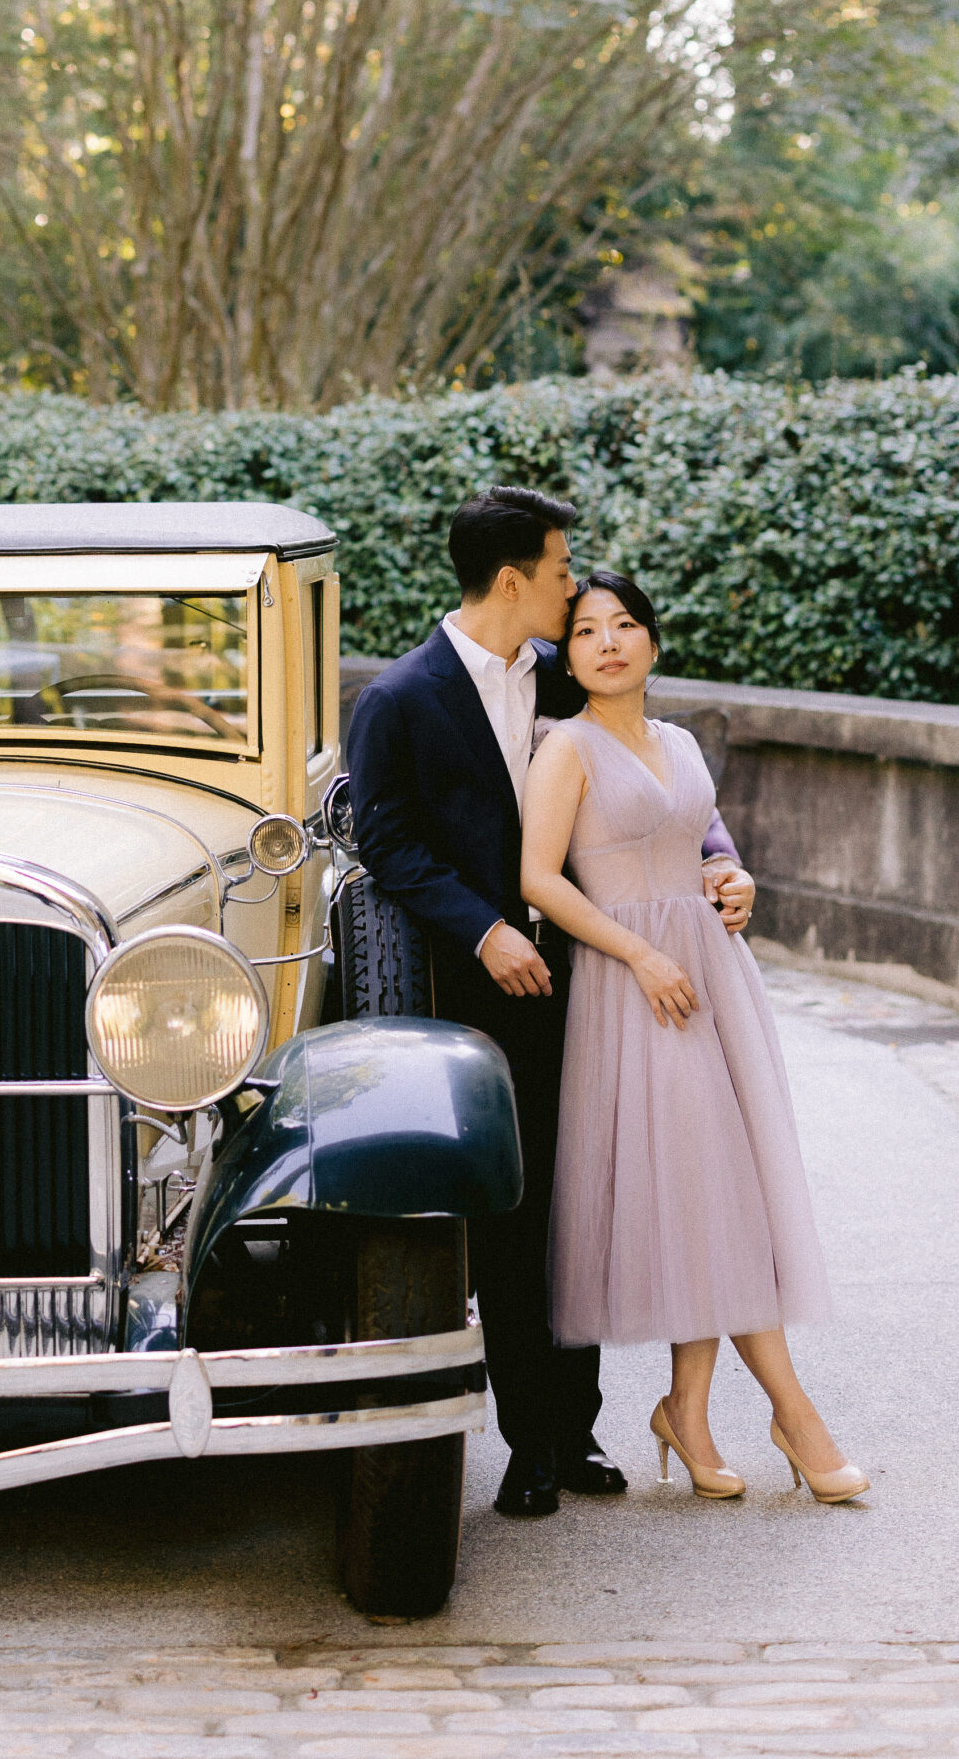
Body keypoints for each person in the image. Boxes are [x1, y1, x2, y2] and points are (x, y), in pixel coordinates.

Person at [346, 487, 745, 1519]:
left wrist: (721, 859)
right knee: (519, 1218)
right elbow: (385, 842)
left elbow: (655, 778)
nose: (580, 588)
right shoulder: (400, 699)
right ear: (514, 579)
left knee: (595, 1199)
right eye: (564, 570)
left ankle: (579, 1426)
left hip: (605, 975)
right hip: (486, 991)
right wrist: (483, 926)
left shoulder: (572, 669)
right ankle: (529, 1443)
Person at [520, 570, 866, 1505]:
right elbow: (540, 880)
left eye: (626, 624)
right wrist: (640, 955)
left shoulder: (676, 742)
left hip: (712, 977)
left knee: (717, 1193)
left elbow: (704, 844)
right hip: (638, 984)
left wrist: (735, 877)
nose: (607, 642)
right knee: (707, 1188)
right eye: (586, 629)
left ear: (654, 642)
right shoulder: (565, 748)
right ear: (569, 653)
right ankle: (793, 1414)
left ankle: (689, 1408)